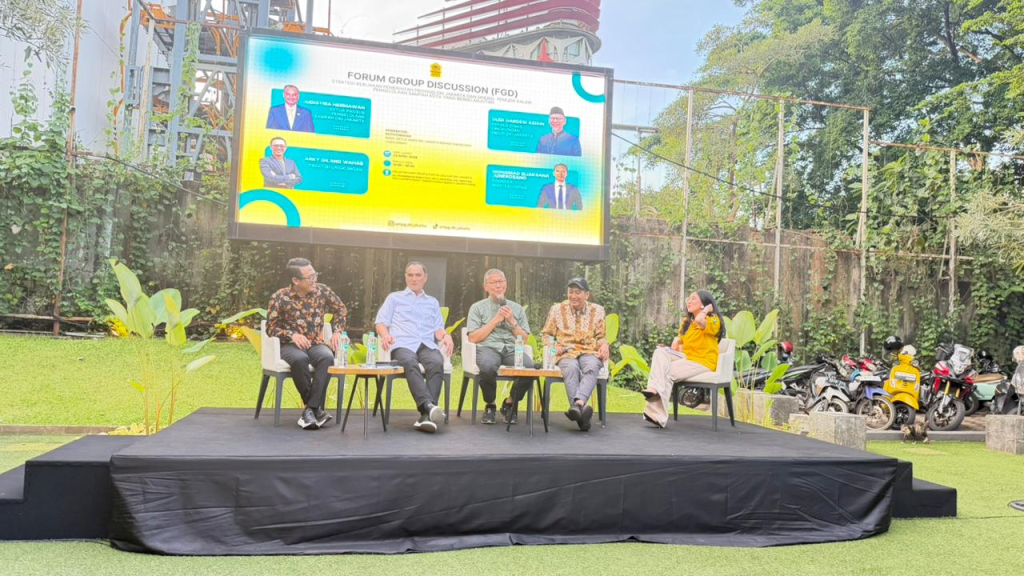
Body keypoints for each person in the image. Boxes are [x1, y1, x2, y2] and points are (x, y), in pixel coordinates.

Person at [266, 258, 348, 430]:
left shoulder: (322, 291)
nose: (314, 280)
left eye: (315, 275)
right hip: (289, 346)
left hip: (315, 343)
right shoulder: (279, 297)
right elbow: (270, 328)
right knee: (299, 359)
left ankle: (310, 410)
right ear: (295, 280)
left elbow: (341, 308)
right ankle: (315, 410)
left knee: (326, 357)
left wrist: (337, 331)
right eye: (309, 277)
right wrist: (292, 334)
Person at [375, 262, 454, 433]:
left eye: (418, 275)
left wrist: (446, 336)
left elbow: (438, 329)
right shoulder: (394, 298)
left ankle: (426, 416)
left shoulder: (432, 302)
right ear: (405, 277)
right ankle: (428, 406)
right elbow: (380, 322)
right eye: (410, 275)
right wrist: (385, 334)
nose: (414, 278)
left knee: (436, 362)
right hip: (402, 344)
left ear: (425, 278)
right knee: (409, 362)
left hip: (426, 344)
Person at [641, 290, 726, 428]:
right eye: (688, 298)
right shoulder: (687, 322)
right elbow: (685, 339)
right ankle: (653, 389)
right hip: (687, 357)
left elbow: (700, 321)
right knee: (659, 352)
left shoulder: (713, 319)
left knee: (666, 373)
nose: (689, 301)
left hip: (702, 361)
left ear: (704, 304)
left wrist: (707, 310)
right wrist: (677, 340)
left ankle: (657, 416)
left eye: (693, 299)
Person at [540, 277, 610, 431]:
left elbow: (600, 336)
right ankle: (582, 413)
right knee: (571, 369)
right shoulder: (557, 310)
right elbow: (546, 335)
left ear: (587, 294)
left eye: (578, 292)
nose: (573, 296)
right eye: (570, 292)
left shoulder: (597, 310)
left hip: (589, 350)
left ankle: (577, 405)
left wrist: (604, 344)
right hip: (566, 351)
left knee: (592, 366)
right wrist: (553, 345)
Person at [466, 269, 534, 425]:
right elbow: (473, 337)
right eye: (494, 282)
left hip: (512, 349)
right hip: (488, 347)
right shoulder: (477, 308)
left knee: (529, 368)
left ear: (506, 284)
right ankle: (490, 404)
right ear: (486, 287)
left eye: (501, 282)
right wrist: (495, 321)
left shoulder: (516, 309)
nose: (498, 286)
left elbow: (524, 339)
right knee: (488, 366)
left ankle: (510, 403)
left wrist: (512, 322)